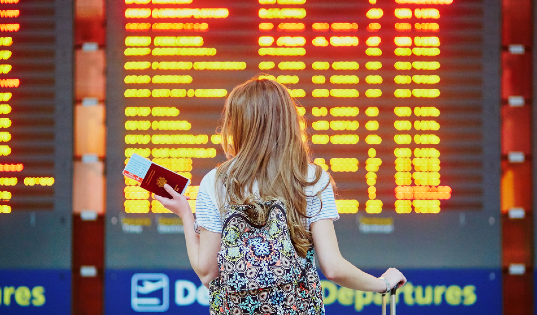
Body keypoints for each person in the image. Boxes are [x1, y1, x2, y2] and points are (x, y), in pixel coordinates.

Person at [155, 77, 406, 313]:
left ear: (237, 123)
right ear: (287, 121)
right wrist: (382, 283)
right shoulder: (311, 178)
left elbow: (208, 274)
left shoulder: (215, 181)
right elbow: (333, 268)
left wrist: (185, 214)